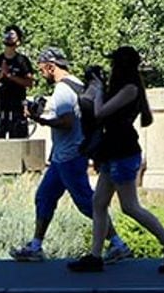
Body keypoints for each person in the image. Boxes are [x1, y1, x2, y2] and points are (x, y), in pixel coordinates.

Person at [69, 45, 164, 274]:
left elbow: (101, 112)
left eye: (113, 64)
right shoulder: (122, 88)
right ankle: (95, 256)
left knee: (130, 206)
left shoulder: (130, 89)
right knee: (98, 203)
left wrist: (100, 89)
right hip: (113, 152)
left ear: (121, 66)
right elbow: (91, 107)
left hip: (123, 153)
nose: (111, 68)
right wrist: (95, 88)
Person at [10, 48, 132, 264]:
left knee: (87, 202)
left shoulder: (62, 91)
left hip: (71, 156)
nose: (42, 74)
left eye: (42, 70)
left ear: (50, 66)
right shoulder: (75, 83)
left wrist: (41, 120)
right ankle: (36, 246)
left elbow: (66, 123)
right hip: (61, 157)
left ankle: (117, 244)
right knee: (44, 197)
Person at [0, 25, 35, 140]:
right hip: (0, 108)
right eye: (7, 35)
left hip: (17, 109)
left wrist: (11, 76)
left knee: (18, 142)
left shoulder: (23, 61)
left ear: (18, 41)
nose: (9, 38)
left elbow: (29, 82)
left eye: (12, 36)